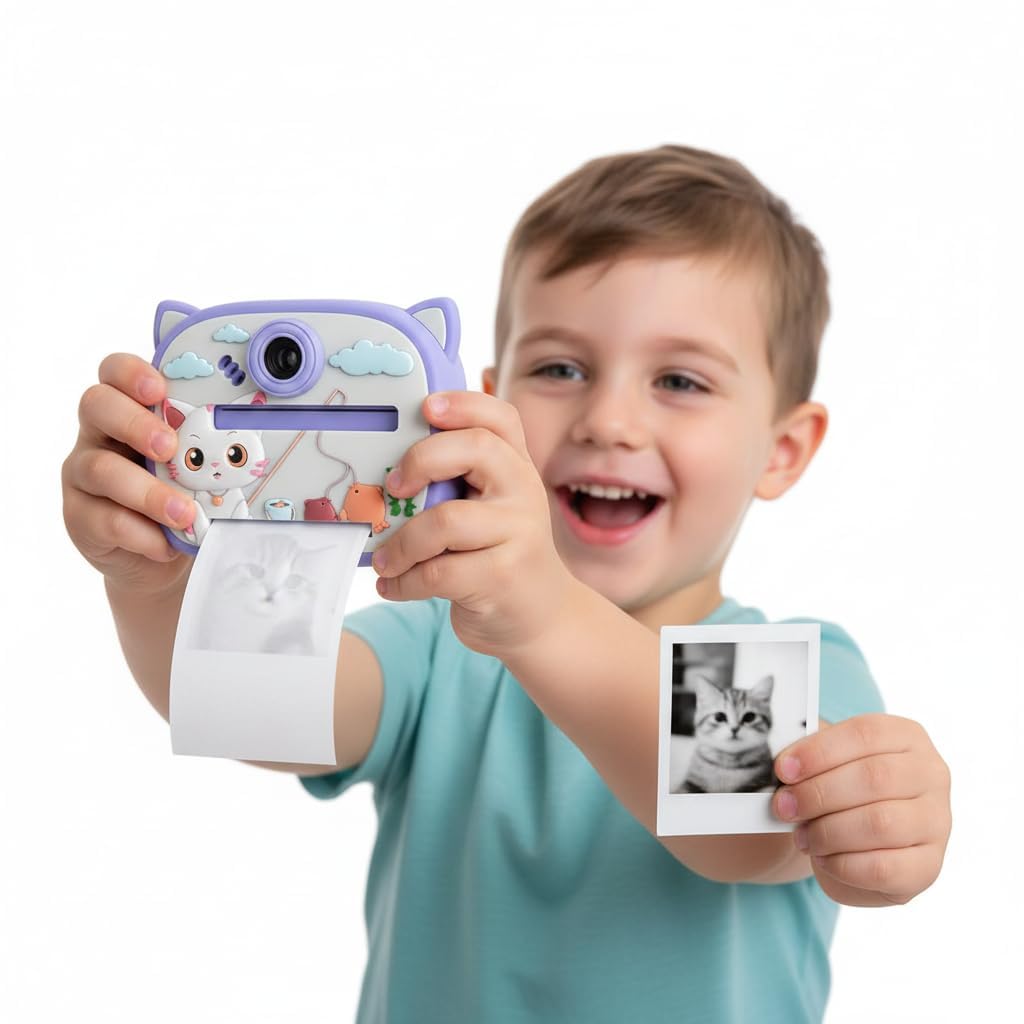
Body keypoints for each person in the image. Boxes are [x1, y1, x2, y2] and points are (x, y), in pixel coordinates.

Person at [62, 144, 952, 1023]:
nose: (608, 420)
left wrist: (547, 616)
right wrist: (151, 584)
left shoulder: (792, 666)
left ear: (784, 449)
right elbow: (250, 705)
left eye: (680, 380)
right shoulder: (435, 641)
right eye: (560, 369)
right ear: (483, 404)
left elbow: (746, 831)